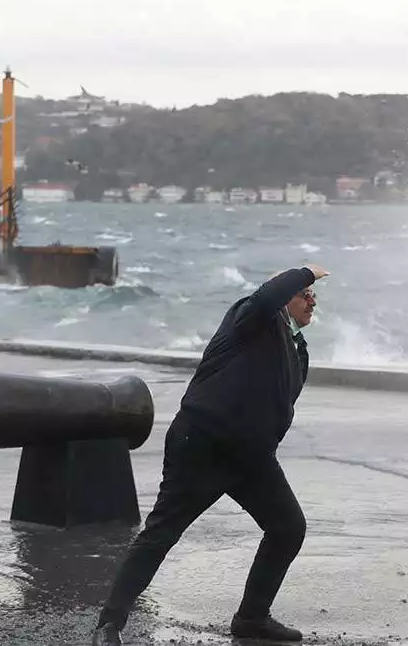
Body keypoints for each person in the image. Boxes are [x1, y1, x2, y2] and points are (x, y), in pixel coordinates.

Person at [92, 264, 329, 646]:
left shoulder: (297, 349)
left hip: (251, 459)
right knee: (161, 534)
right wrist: (305, 272)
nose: (311, 298)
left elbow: (281, 403)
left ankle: (251, 617)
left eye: (311, 293)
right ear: (283, 296)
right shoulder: (250, 317)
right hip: (202, 445)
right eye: (304, 293)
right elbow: (266, 296)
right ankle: (109, 625)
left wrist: (265, 443)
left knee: (288, 527)